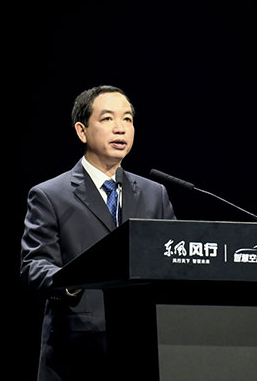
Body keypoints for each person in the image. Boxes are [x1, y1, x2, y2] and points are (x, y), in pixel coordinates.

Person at [21, 85, 175, 381]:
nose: (120, 128)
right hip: (76, 351)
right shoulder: (49, 195)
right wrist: (73, 281)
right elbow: (34, 266)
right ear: (82, 131)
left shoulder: (154, 194)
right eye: (107, 119)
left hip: (143, 346)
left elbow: (171, 261)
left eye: (127, 119)